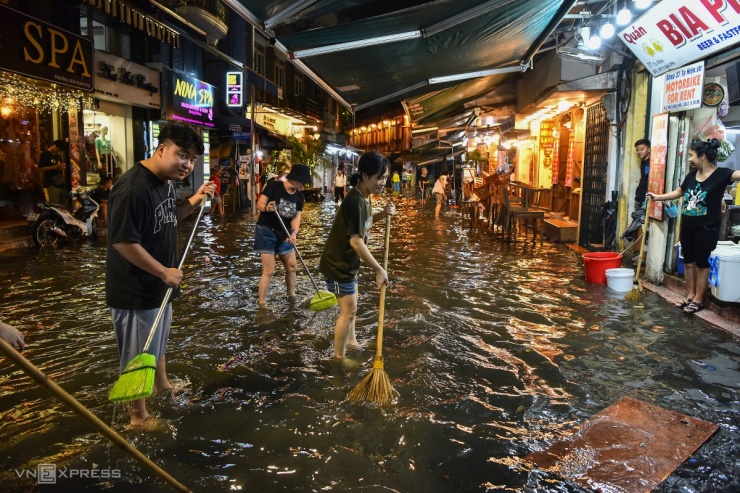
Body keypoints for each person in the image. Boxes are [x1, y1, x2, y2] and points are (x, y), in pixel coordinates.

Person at [106, 121, 216, 427]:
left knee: (157, 341)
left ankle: (161, 384)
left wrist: (196, 198)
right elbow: (123, 242)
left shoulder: (164, 182)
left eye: (192, 159)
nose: (187, 164)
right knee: (137, 354)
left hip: (160, 285)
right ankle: (138, 417)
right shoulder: (133, 189)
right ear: (161, 149)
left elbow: (171, 215)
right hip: (136, 289)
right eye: (182, 155)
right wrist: (162, 271)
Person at [648, 138, 740, 315]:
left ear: (703, 156)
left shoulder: (722, 174)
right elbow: (679, 192)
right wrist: (658, 197)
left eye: (691, 155)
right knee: (689, 262)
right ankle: (690, 295)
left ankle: (699, 298)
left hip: (707, 227)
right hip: (688, 224)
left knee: (702, 263)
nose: (689, 159)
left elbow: (737, 174)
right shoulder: (692, 175)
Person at [319, 151, 395, 361]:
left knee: (352, 309)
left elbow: (365, 223)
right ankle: (339, 358)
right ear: (364, 176)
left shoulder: (365, 197)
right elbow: (355, 240)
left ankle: (351, 342)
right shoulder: (355, 201)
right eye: (378, 177)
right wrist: (379, 269)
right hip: (339, 265)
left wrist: (382, 214)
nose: (382, 183)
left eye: (385, 178)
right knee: (348, 312)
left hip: (349, 264)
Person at [254, 163, 311, 307]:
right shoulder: (274, 186)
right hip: (266, 230)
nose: (304, 185)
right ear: (297, 180)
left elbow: (297, 217)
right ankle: (262, 304)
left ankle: (292, 296)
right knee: (269, 269)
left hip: (284, 232)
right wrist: (267, 208)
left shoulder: (299, 196)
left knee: (292, 266)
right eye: (303, 182)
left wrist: (295, 234)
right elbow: (259, 205)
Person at [38, 139, 68, 204]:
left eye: (60, 150)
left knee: (62, 202)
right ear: (54, 145)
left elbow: (60, 166)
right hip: (50, 184)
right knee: (54, 203)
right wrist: (54, 167)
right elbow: (40, 169)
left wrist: (62, 167)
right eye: (58, 149)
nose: (58, 151)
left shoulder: (58, 156)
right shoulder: (44, 154)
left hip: (60, 182)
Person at [634, 139, 651, 210]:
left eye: (642, 149)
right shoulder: (643, 162)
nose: (639, 152)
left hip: (645, 198)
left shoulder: (653, 162)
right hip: (639, 197)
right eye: (637, 150)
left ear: (649, 149)